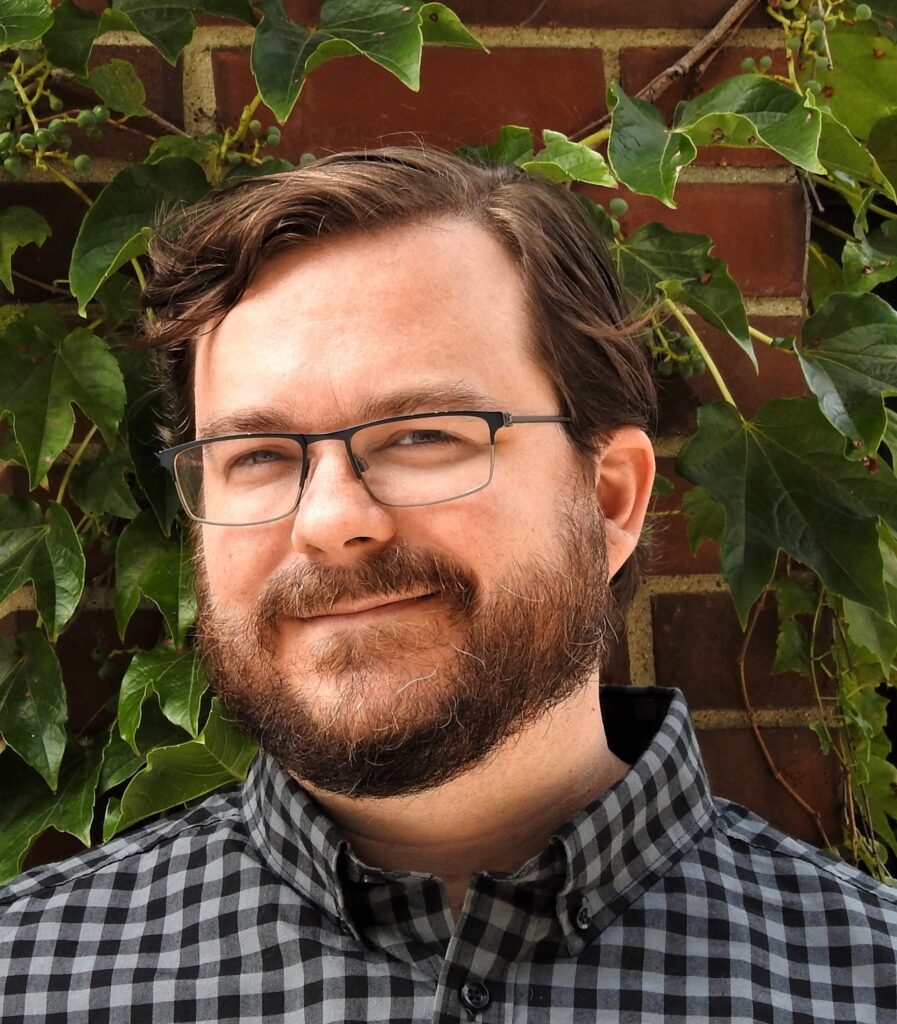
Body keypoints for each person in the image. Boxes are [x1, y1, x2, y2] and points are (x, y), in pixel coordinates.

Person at [1, 147, 895, 1024]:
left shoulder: (862, 982)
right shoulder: (31, 975)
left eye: (423, 435)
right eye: (260, 457)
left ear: (609, 498)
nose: (329, 521)